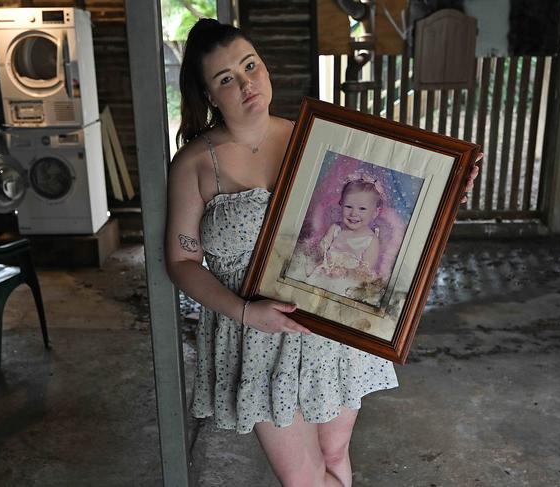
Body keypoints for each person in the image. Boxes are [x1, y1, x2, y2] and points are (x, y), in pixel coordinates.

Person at [165, 18, 481, 487]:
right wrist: (247, 313)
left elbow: (382, 209)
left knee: (334, 457)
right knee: (304, 479)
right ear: (210, 95)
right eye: (226, 78)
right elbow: (182, 262)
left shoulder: (318, 139)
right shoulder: (194, 162)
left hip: (330, 329)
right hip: (255, 337)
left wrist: (445, 191)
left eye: (251, 65)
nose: (247, 83)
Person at [301, 175, 386, 305]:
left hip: (348, 283)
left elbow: (365, 272)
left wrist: (346, 272)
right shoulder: (336, 228)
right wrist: (323, 256)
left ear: (375, 212)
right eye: (348, 206)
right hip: (325, 271)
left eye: (362, 208)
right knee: (306, 279)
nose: (353, 213)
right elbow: (321, 249)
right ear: (340, 204)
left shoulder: (371, 240)